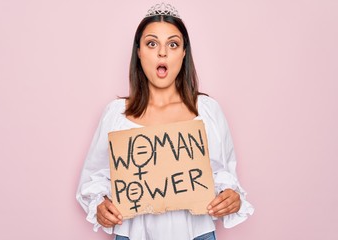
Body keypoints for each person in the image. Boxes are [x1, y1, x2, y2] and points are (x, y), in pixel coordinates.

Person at [76, 3, 254, 240]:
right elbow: (94, 177)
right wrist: (100, 205)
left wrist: (231, 197)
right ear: (139, 52)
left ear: (183, 53)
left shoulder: (208, 111)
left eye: (173, 44)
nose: (162, 52)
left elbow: (224, 173)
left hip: (196, 233)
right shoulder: (116, 114)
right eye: (152, 43)